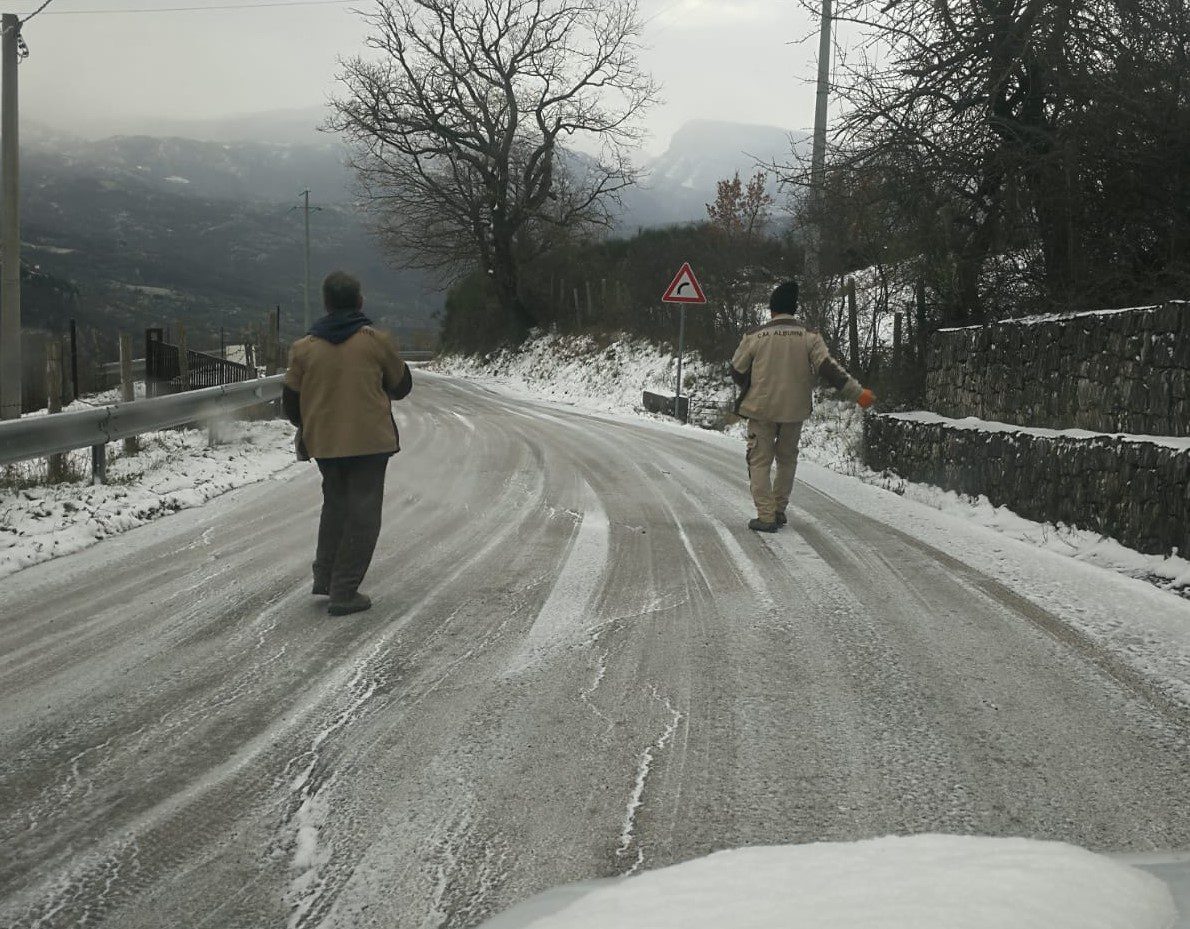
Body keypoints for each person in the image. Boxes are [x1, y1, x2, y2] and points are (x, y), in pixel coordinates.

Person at [282, 270, 412, 615]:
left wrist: (312, 424)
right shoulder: (375, 341)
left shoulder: (303, 349)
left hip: (324, 444)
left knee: (336, 506)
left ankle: (325, 577)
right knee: (364, 516)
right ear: (359, 302)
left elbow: (290, 405)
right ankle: (343, 591)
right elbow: (401, 387)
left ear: (326, 304)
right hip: (370, 443)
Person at [730, 280, 875, 533]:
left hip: (760, 410)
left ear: (772, 309)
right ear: (794, 309)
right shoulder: (809, 336)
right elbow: (829, 369)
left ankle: (765, 516)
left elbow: (737, 370)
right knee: (787, 459)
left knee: (759, 461)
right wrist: (858, 393)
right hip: (794, 410)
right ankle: (778, 509)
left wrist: (751, 383)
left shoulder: (755, 336)